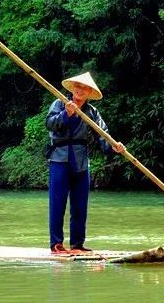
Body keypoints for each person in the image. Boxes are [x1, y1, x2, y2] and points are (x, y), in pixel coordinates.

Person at [45, 71, 125, 254]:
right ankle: (56, 244)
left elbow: (103, 134)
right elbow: (50, 123)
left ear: (89, 93)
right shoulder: (59, 103)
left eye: (85, 89)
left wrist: (113, 145)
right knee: (57, 203)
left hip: (81, 160)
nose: (80, 91)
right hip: (60, 157)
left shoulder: (92, 112)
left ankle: (77, 244)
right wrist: (66, 114)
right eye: (78, 87)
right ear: (73, 89)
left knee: (80, 204)